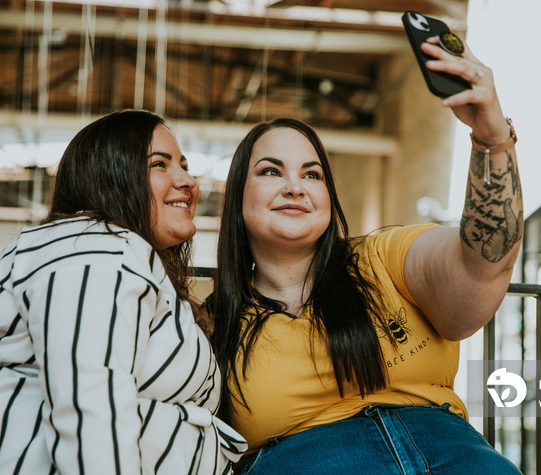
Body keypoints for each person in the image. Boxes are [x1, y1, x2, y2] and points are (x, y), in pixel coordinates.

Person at [207, 35, 523, 474]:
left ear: (328, 197)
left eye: (312, 174)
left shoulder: (380, 259)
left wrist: (491, 137)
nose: (294, 186)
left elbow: (482, 263)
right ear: (238, 195)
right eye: (270, 171)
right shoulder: (213, 323)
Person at [0, 109, 246, 474]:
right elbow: (90, 400)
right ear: (112, 176)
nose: (187, 180)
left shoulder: (120, 256)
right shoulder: (93, 245)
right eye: (160, 164)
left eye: (185, 165)